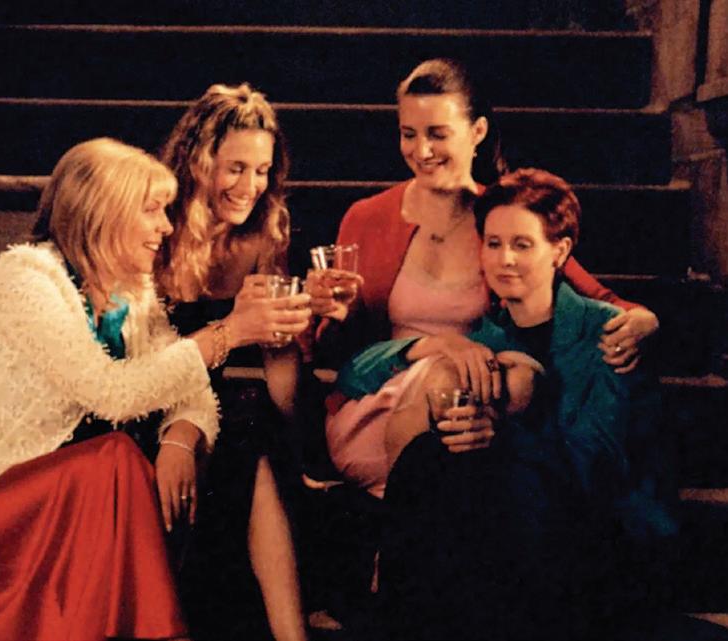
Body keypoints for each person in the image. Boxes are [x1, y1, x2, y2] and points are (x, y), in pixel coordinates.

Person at [0, 138, 303, 641]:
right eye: (151, 211)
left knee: (206, 435)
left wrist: (179, 438)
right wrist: (228, 333)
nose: (166, 227)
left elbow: (187, 387)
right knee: (116, 457)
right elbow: (110, 393)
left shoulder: (129, 289)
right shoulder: (27, 278)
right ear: (105, 213)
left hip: (57, 499)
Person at [339, 168, 679, 639]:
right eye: (493, 244)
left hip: (606, 536)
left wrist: (500, 432)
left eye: (522, 244)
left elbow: (599, 464)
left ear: (559, 251)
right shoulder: (487, 337)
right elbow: (354, 374)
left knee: (473, 478)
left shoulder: (608, 332)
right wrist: (434, 345)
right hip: (514, 535)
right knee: (427, 457)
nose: (505, 260)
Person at [311, 58, 660, 500]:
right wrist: (335, 315)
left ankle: (404, 526)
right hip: (376, 406)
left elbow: (598, 298)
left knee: (510, 391)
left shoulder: (503, 218)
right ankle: (405, 523)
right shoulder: (366, 218)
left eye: (437, 134)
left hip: (474, 411)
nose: (421, 151)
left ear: (477, 132)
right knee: (453, 395)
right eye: (408, 134)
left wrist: (645, 320)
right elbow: (335, 353)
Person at [158, 83, 311, 641]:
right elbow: (143, 362)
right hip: (151, 398)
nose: (251, 186)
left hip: (227, 409)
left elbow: (285, 394)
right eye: (236, 168)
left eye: (262, 170)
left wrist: (286, 337)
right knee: (243, 424)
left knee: (254, 420)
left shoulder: (265, 232)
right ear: (198, 163)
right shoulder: (156, 227)